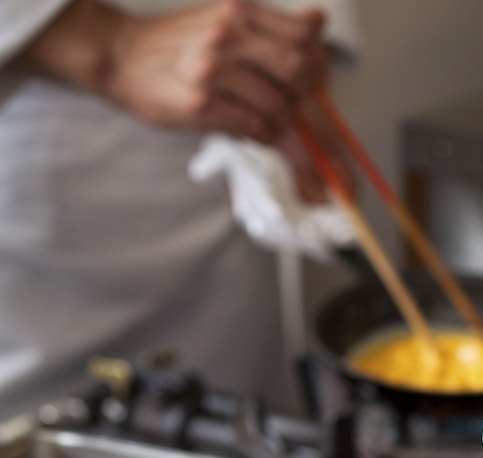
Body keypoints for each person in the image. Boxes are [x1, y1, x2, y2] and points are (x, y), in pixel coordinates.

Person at [0, 0, 358, 421]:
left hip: (226, 235)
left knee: (240, 425)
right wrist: (109, 44)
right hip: (39, 202)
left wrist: (284, 61)